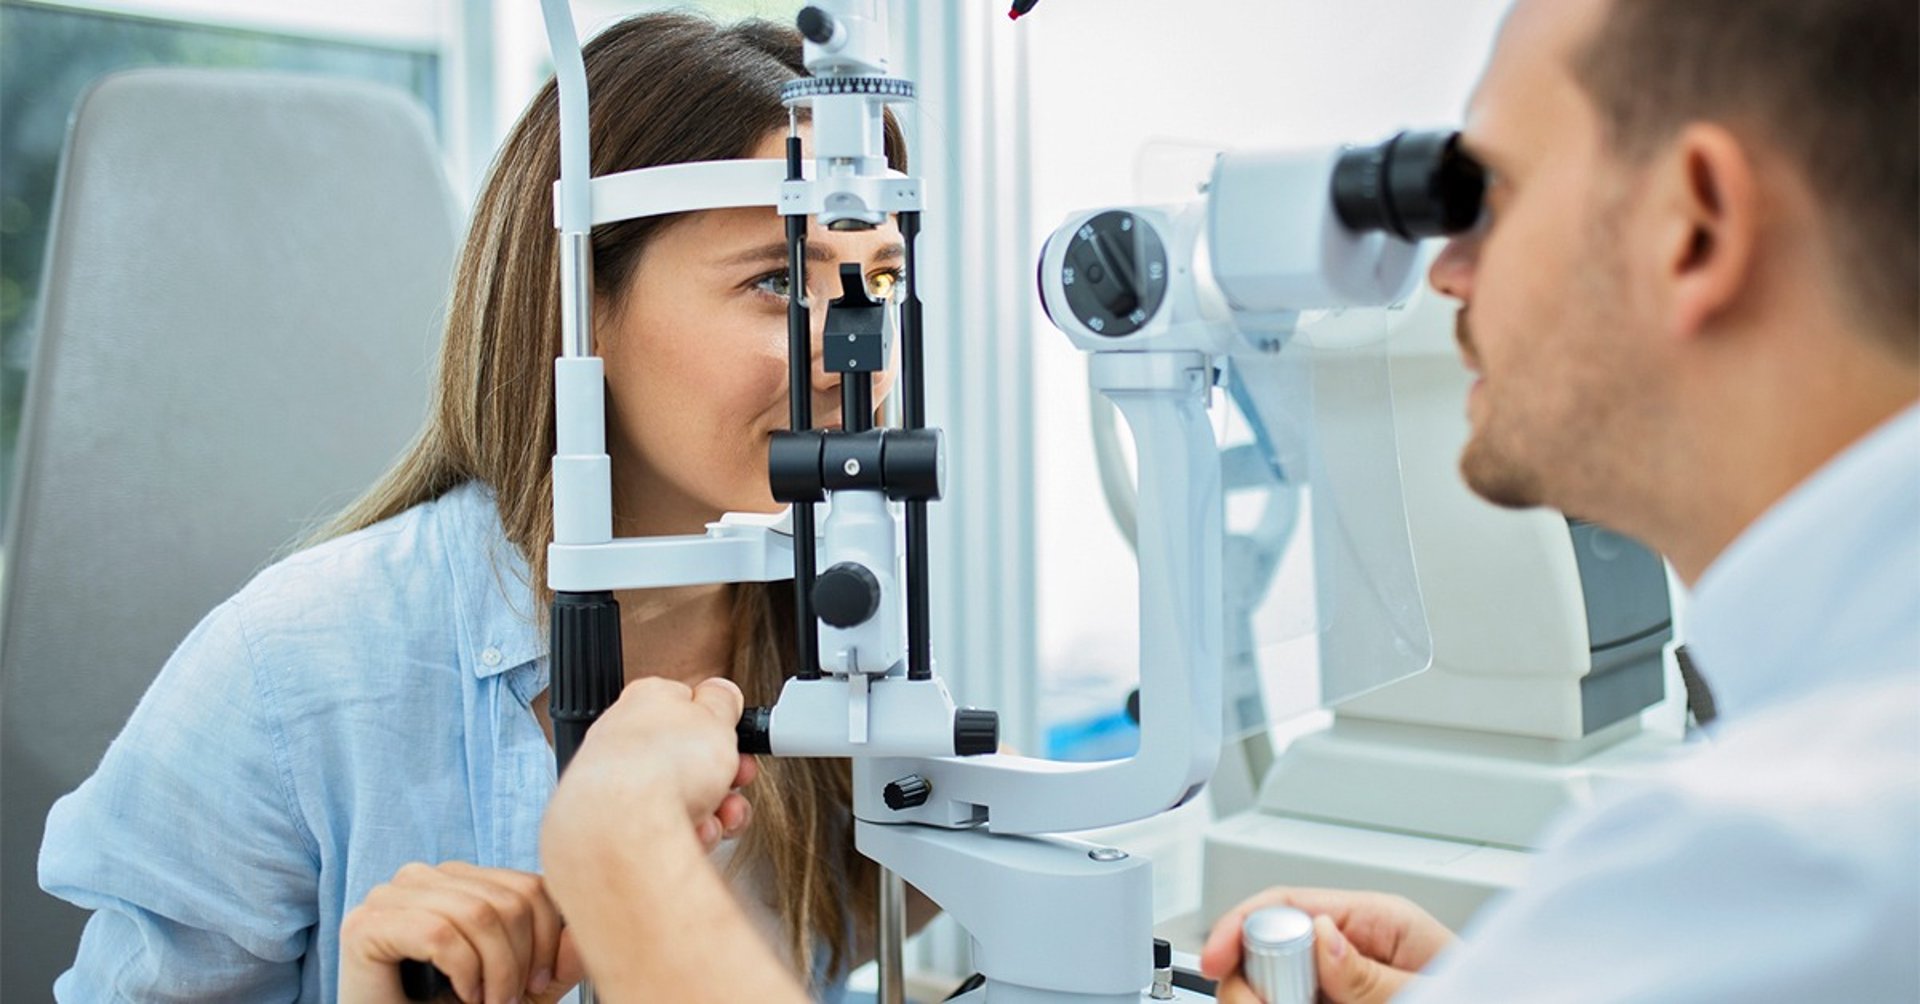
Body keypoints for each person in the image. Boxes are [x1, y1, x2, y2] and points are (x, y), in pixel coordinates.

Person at [518, 0, 1920, 1001]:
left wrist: (623, 864)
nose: (1445, 269)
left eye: (1489, 190)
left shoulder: (1799, 843)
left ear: (1694, 225)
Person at [37, 12, 924, 1002]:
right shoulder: (293, 673)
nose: (854, 355)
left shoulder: (853, 639)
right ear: (578, 301)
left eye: (879, 281)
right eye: (774, 279)